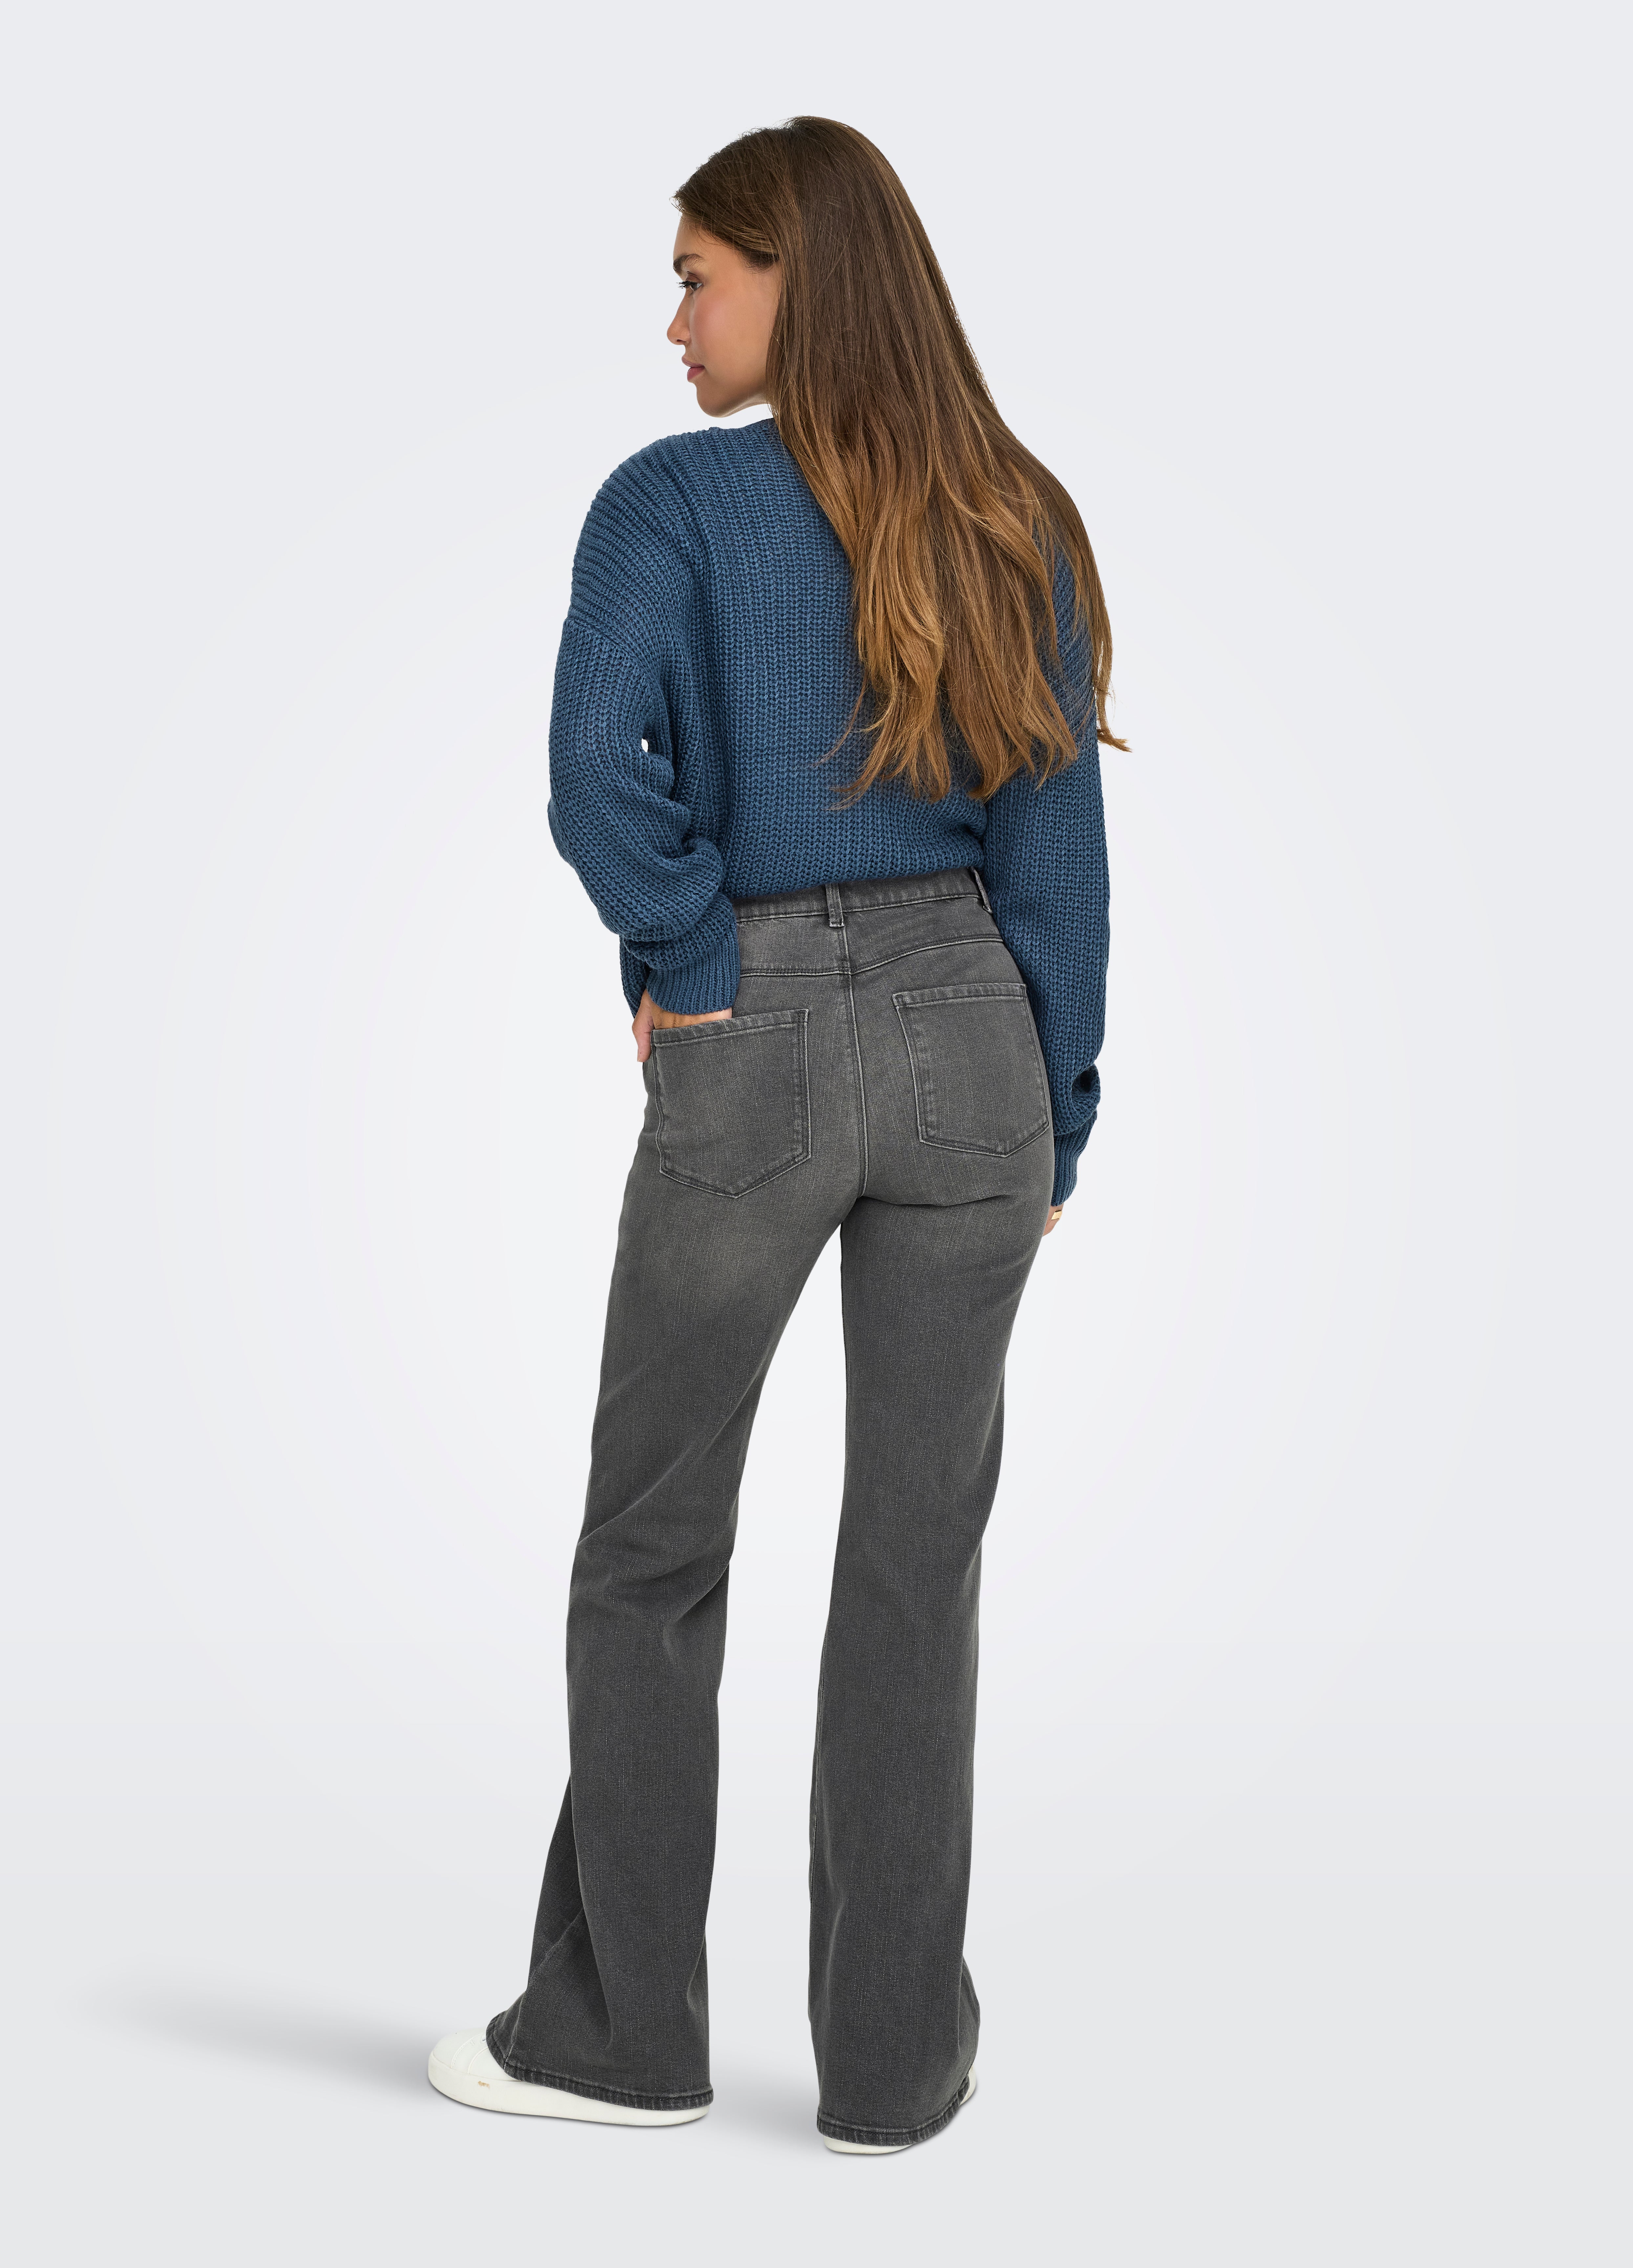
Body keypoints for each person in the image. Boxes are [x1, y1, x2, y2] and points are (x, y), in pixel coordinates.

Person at [429, 116, 1119, 2155]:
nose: (674, 323)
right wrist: (1058, 1111)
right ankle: (894, 2076)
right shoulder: (1013, 513)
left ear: (796, 279)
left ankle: (623, 2040)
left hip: (760, 1028)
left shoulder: (671, 503)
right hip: (976, 1046)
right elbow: (1057, 850)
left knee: (653, 1547)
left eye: (696, 278)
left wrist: (683, 948)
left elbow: (595, 769)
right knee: (918, 1572)